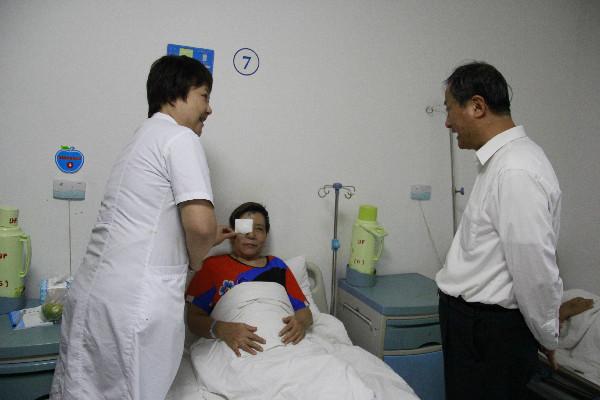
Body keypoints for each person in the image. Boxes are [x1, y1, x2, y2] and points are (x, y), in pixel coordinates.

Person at [51, 55, 235, 400]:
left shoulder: (141, 139)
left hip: (97, 295)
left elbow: (150, 223)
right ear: (177, 93)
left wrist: (209, 238)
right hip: (136, 304)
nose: (209, 109)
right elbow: (199, 226)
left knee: (83, 390)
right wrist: (197, 260)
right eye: (204, 96)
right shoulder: (180, 139)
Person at [436, 61, 564, 399]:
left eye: (449, 109)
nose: (447, 123)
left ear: (477, 106)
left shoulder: (515, 170)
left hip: (487, 332)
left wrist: (546, 336)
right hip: (474, 326)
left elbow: (534, 269)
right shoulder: (501, 162)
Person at [186, 202, 313, 357]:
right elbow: (193, 320)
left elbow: (304, 312)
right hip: (236, 346)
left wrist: (300, 323)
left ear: (265, 235)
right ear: (232, 233)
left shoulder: (277, 266)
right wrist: (222, 329)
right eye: (245, 227)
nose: (251, 235)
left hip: (284, 341)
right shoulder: (212, 266)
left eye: (259, 229)